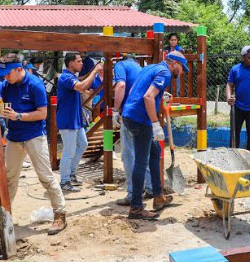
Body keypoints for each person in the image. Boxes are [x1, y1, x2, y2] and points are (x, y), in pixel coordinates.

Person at [0, 53, 67, 234]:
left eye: (8, 73)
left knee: (46, 176)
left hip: (34, 136)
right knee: (9, 178)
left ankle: (60, 215)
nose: (5, 77)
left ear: (19, 69)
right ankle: (3, 211)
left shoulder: (35, 85)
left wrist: (18, 116)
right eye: (3, 74)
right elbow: (4, 105)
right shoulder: (6, 85)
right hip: (14, 137)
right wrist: (3, 112)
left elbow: (43, 113)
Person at [121, 51, 187, 220]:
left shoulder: (151, 68)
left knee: (155, 152)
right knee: (141, 162)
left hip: (130, 115)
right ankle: (136, 207)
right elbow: (148, 96)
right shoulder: (165, 73)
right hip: (140, 120)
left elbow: (137, 91)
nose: (181, 72)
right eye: (180, 68)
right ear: (173, 63)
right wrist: (155, 124)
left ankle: (158, 197)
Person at [57, 52, 102, 192]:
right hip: (67, 119)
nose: (82, 63)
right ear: (70, 63)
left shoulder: (71, 77)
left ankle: (71, 174)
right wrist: (94, 71)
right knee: (68, 151)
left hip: (76, 119)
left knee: (82, 144)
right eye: (78, 61)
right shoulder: (65, 77)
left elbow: (82, 87)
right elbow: (81, 87)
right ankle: (64, 180)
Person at [112, 54, 153, 207]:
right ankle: (149, 187)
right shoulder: (140, 68)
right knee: (143, 154)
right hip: (145, 114)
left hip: (130, 115)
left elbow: (121, 85)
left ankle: (131, 193)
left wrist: (116, 110)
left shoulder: (120, 66)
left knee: (128, 155)